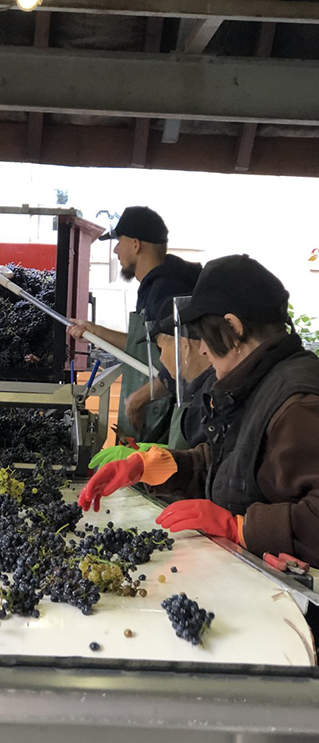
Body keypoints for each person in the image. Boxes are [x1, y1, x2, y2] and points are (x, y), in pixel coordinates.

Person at [78, 254, 319, 567]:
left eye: (206, 336)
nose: (203, 349)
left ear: (234, 327)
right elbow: (235, 465)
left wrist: (240, 528)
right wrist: (152, 467)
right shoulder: (257, 383)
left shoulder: (298, 401)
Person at [68, 206, 201, 443]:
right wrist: (94, 331)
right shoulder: (154, 287)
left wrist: (139, 399)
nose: (117, 250)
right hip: (156, 414)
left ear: (136, 244)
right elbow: (143, 346)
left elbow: (184, 363)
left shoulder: (167, 290)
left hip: (170, 420)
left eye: (120, 241)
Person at [89, 297, 214, 470]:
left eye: (162, 348)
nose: (161, 358)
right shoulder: (198, 394)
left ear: (184, 347)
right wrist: (150, 453)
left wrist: (151, 458)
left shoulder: (213, 399)